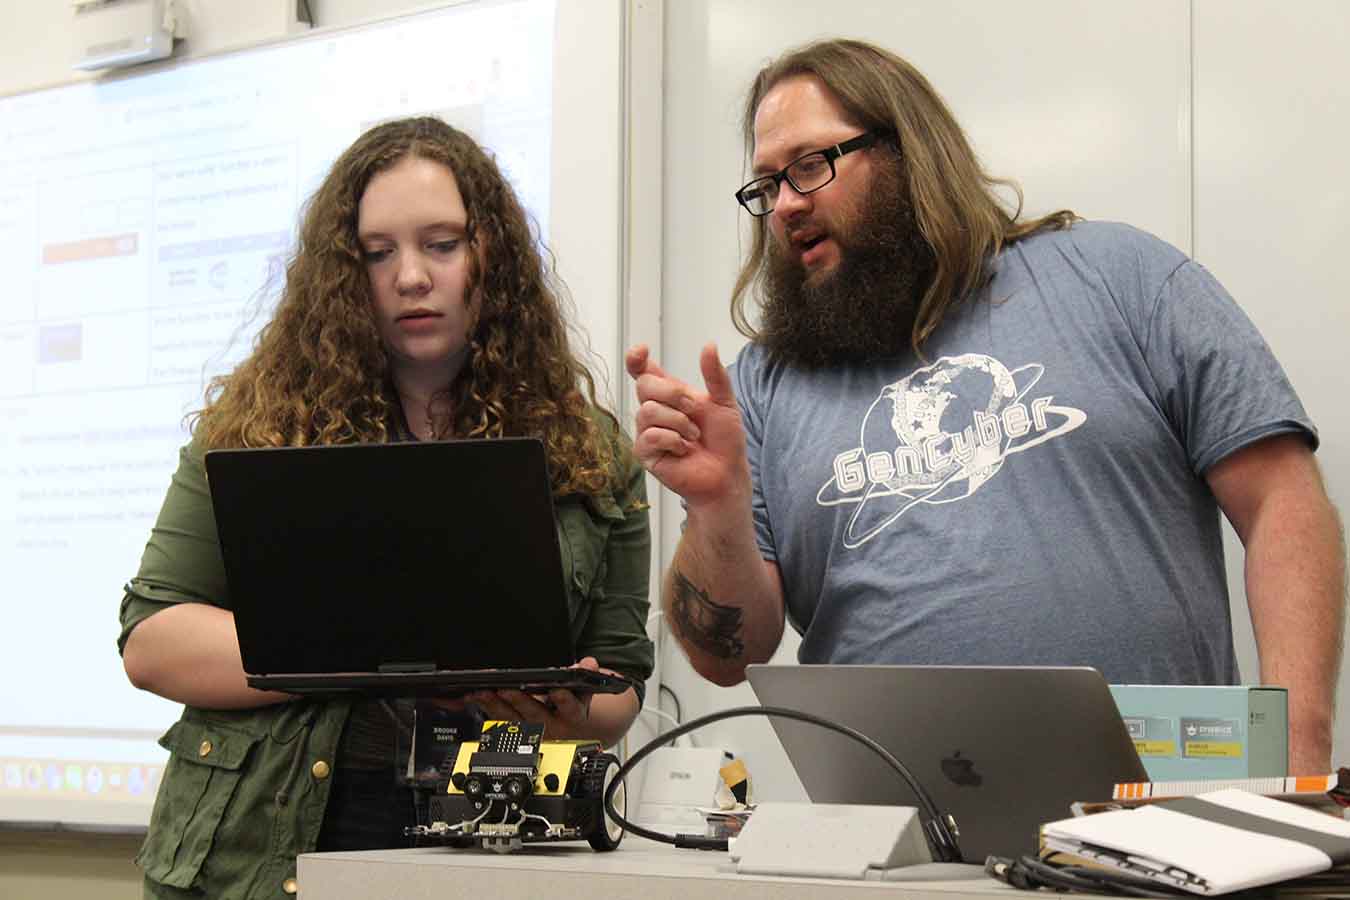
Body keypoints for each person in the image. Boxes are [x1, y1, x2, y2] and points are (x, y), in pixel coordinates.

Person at [627, 39, 1344, 775]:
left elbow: (1280, 503)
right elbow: (727, 657)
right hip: (904, 836)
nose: (784, 205)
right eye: (767, 184)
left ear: (910, 152)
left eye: (810, 165)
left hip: (1162, 814)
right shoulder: (764, 387)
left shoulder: (1124, 278)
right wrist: (718, 508)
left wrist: (1299, 749)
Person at [119, 116, 653, 898]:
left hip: (491, 848)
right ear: (344, 273)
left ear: (490, 256)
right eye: (378, 253)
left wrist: (563, 707)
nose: (411, 276)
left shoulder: (590, 449)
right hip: (258, 854)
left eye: (442, 244)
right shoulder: (259, 427)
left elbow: (621, 688)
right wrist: (359, 650)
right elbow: (153, 641)